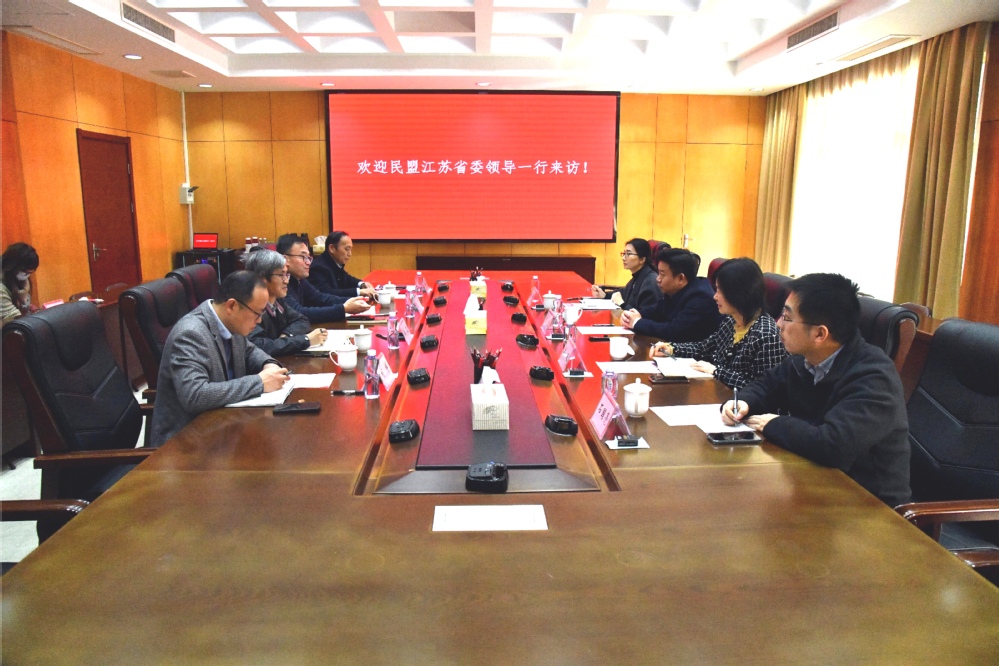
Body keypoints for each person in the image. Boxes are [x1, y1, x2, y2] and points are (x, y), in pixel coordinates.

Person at [722, 273, 910, 506]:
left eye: (787, 317)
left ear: (820, 334)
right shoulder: (804, 359)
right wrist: (743, 402)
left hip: (868, 504)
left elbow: (833, 445)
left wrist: (774, 423)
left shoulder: (874, 377)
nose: (778, 324)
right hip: (813, 482)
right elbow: (766, 385)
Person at [150, 271, 290, 447]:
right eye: (257, 313)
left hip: (223, 429)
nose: (260, 321)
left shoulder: (230, 322)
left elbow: (249, 350)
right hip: (186, 445)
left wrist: (268, 364)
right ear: (231, 306)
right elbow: (195, 395)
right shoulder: (190, 334)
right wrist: (259, 383)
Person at [652, 258, 786, 389]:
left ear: (738, 293)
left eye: (720, 291)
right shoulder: (731, 321)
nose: (715, 296)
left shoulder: (766, 335)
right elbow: (705, 348)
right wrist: (672, 348)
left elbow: (762, 388)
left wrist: (717, 371)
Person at [620, 248, 721, 342]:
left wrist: (636, 322)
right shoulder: (675, 290)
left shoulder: (701, 298)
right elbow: (657, 310)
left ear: (681, 278)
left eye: (662, 274)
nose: (658, 279)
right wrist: (635, 314)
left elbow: (674, 332)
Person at [243, 249, 328, 356]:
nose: (286, 281)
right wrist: (305, 340)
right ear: (262, 278)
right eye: (281, 275)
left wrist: (286, 336)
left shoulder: (277, 300)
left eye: (287, 274)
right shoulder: (249, 306)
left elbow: (301, 320)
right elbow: (260, 346)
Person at [276, 234, 370, 324]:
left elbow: (321, 298)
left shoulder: (299, 279)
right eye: (303, 257)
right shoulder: (279, 282)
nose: (308, 262)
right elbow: (299, 313)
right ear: (285, 259)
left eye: (308, 257)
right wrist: (343, 308)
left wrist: (355, 300)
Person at [590, 238, 661, 311]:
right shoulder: (638, 276)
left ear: (642, 259)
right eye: (624, 254)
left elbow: (641, 315)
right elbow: (624, 293)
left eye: (628, 254)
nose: (623, 258)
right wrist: (604, 295)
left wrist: (622, 304)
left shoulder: (650, 282)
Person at [309, 231, 376, 300]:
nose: (350, 254)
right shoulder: (318, 268)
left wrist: (362, 284)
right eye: (347, 249)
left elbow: (347, 279)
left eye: (350, 249)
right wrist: (359, 292)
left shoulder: (333, 262)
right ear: (332, 248)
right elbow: (327, 293)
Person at [2, 242, 39, 324]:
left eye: (30, 273)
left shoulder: (20, 280)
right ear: (11, 267)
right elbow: (12, 320)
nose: (26, 276)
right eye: (25, 272)